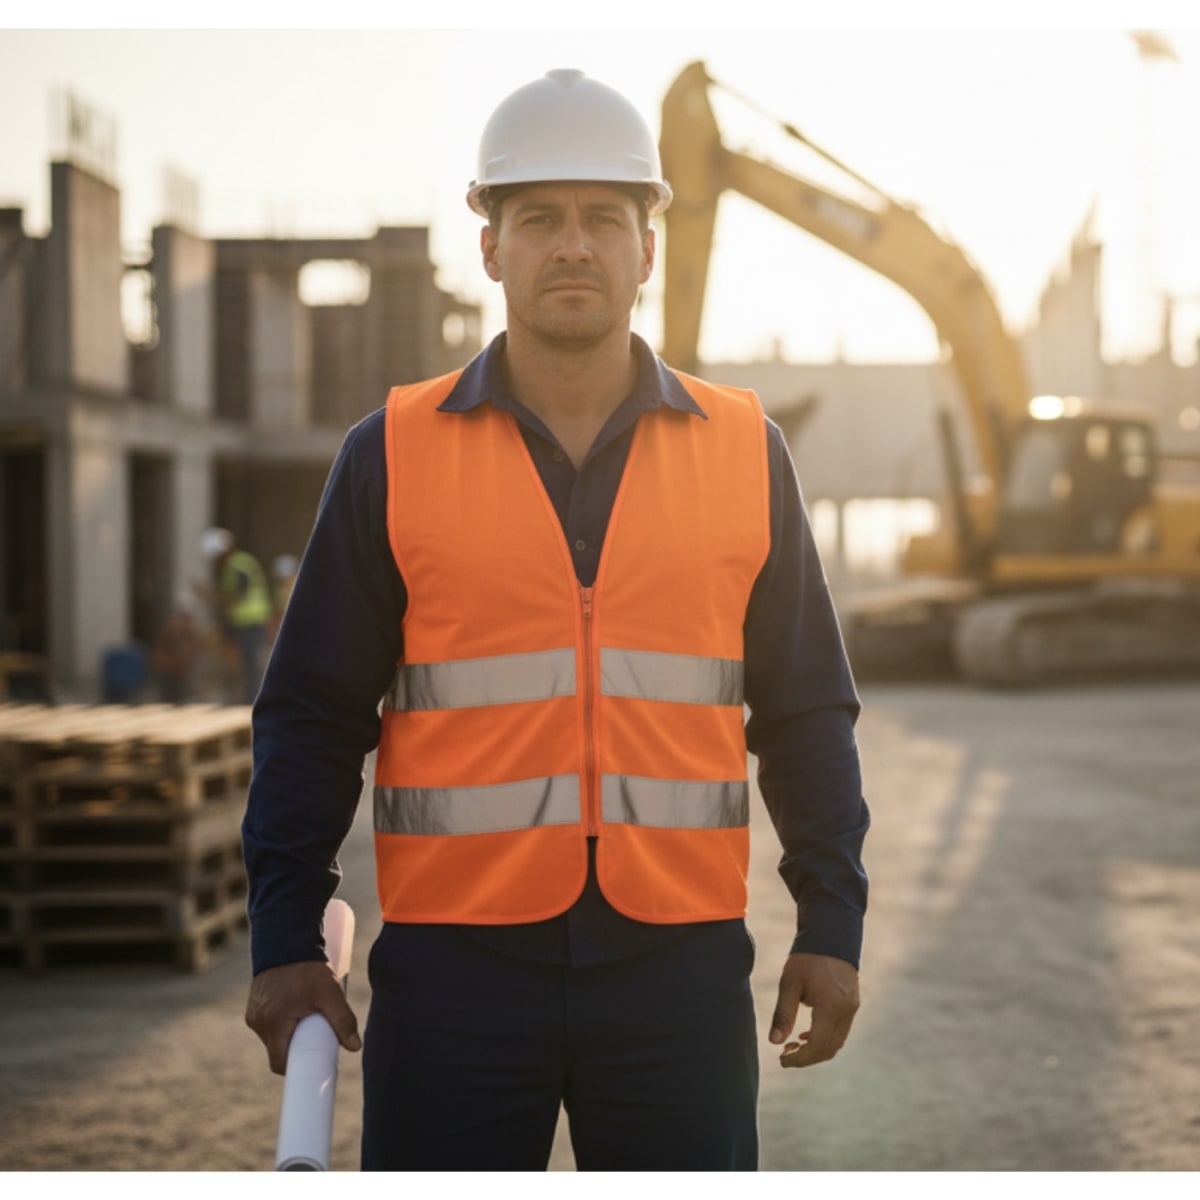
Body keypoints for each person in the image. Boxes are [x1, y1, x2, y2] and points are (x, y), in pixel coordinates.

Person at [243, 68, 869, 1172]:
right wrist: (286, 936)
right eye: (538, 218)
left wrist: (832, 919)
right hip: (454, 979)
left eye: (601, 218)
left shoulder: (744, 451)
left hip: (679, 974)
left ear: (647, 248)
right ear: (491, 245)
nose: (571, 246)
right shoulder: (389, 453)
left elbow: (807, 709)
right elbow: (311, 713)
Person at [201, 527, 272, 704]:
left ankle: (251, 703)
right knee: (237, 665)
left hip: (251, 621)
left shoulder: (239, 565)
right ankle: (240, 700)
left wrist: (212, 596)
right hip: (240, 622)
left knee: (250, 666)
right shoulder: (232, 567)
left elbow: (237, 595)